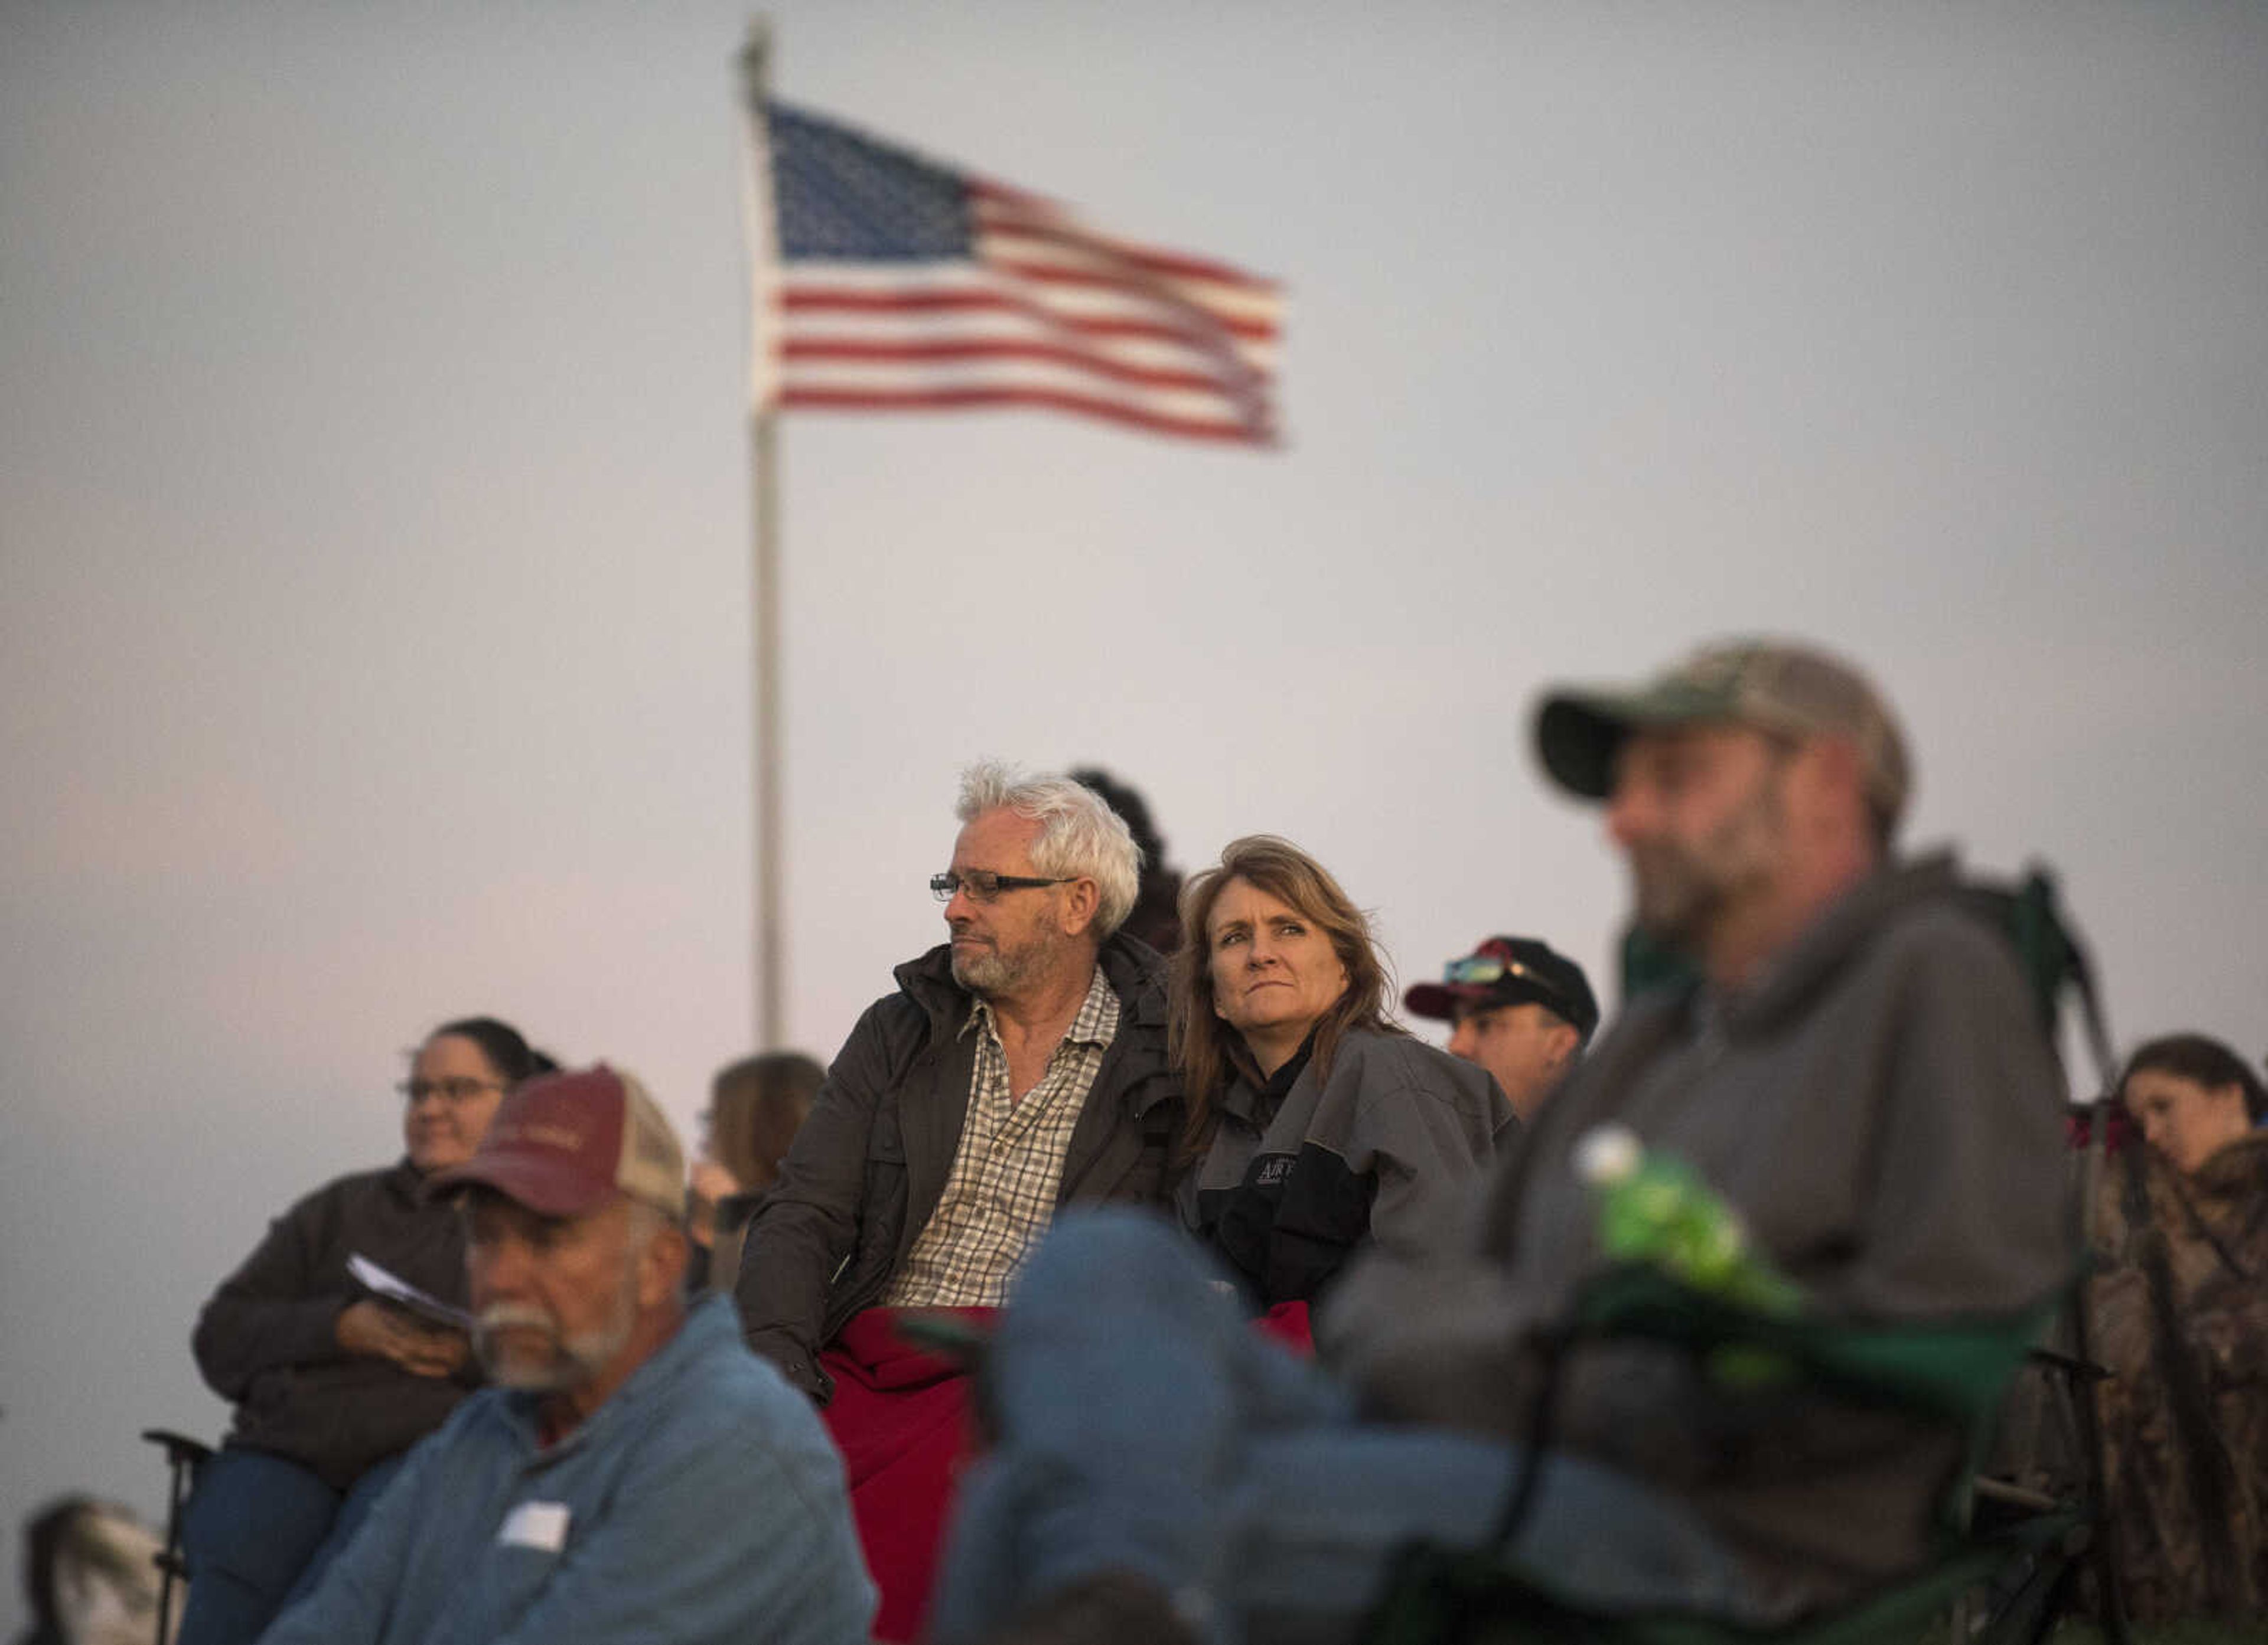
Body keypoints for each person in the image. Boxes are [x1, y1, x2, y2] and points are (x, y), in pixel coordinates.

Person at [931, 638, 2071, 1645]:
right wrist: (1453, 1344)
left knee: (1057, 1513)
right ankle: (1134, 1584)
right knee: (1096, 1268)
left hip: (1686, 1513)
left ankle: (1138, 1587)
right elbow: (1435, 1265)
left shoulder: (1928, 978)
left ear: (1825, 782)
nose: (1621, 820)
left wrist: (1566, 1359)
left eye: (1672, 779)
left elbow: (1940, 1328)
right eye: (1623, 791)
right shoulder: (1670, 1031)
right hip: (1447, 1420)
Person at [260, 1064, 875, 1645]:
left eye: (547, 1237)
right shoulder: (481, 1432)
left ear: (658, 1265)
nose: (501, 1276)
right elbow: (328, 1622)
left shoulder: (736, 1442)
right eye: (485, 1237)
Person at [733, 759, 1183, 1401]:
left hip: (1044, 1385)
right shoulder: (898, 1030)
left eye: (987, 886)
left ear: (1078, 903)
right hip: (867, 1368)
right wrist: (777, 1379)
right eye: (952, 883)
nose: (955, 910)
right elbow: (803, 1213)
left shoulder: (1167, 1056)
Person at [177, 1016, 553, 1645]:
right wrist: (338, 1327)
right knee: (236, 1573)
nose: (431, 1108)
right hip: (285, 1451)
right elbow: (220, 1336)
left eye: (457, 1090)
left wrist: (471, 1353)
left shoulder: (537, 1229)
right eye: (419, 1091)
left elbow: (568, 1370)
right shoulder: (340, 1209)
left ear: (516, 1099)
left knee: (352, 1588)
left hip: (421, 1461)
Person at [1171, 836, 1507, 1309]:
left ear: (1346, 968)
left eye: (1289, 929)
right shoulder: (1210, 1141)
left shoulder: (1392, 1073)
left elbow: (1440, 1288)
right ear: (1215, 998)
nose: (1260, 954)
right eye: (1234, 937)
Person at [2088, 1033, 2268, 1621]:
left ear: (2228, 1095)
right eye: (2142, 1120)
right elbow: (2110, 1311)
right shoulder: (2136, 1203)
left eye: (2165, 1106)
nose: (2155, 1133)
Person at [1402, 935, 1599, 1122]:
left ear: (1559, 1044)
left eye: (1484, 1025)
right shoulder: (1435, 1149)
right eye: (1456, 1025)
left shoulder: (1614, 1146)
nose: (1456, 1046)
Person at [686, 1049, 825, 1294]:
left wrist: (714, 1234)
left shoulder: (777, 1236)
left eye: (715, 1120)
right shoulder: (834, 1217)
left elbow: (727, 1324)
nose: (706, 1143)